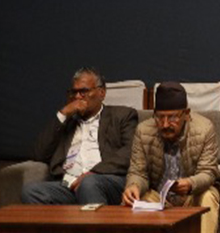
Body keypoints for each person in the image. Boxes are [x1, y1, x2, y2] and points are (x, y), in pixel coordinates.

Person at [121, 83, 220, 233]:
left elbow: (209, 172)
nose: (165, 124)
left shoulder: (204, 129)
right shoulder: (143, 131)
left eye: (173, 117)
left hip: (191, 196)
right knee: (135, 203)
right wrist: (133, 186)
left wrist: (190, 183)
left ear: (186, 114)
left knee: (209, 196)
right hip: (159, 198)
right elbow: (138, 172)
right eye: (160, 117)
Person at [22, 66, 139, 209]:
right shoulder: (67, 123)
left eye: (83, 91)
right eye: (74, 92)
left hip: (106, 181)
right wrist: (62, 114)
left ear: (101, 93)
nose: (77, 97)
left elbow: (130, 151)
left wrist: (93, 173)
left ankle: (98, 231)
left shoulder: (122, 116)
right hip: (68, 185)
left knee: (89, 183)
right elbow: (39, 154)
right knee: (31, 191)